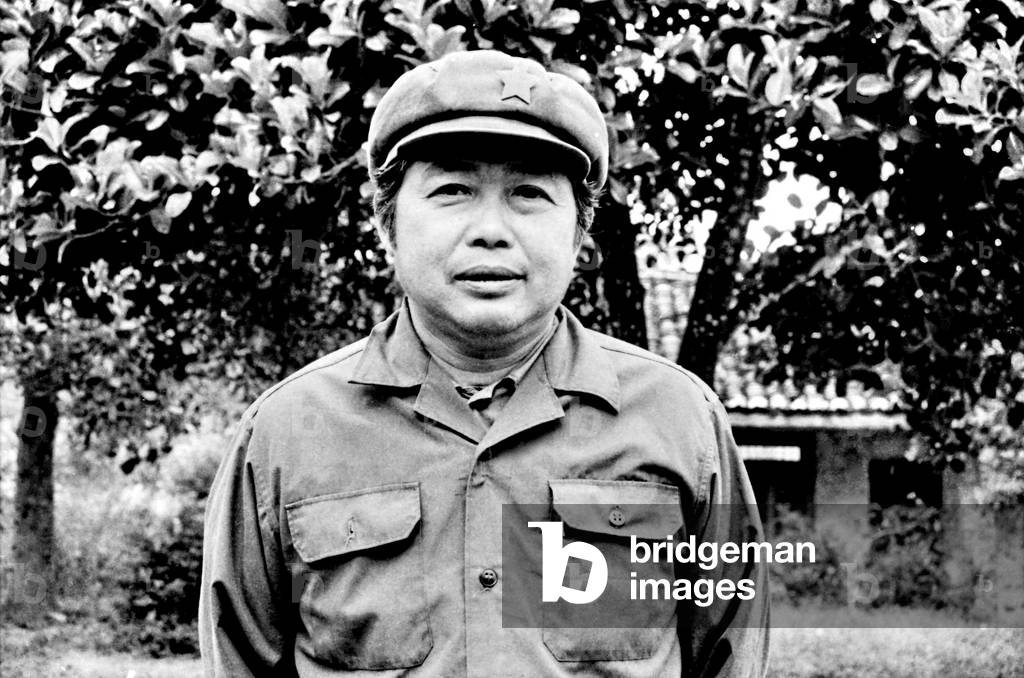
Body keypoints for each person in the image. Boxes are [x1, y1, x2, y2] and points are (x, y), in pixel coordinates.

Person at [199, 49, 769, 677]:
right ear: (387, 226)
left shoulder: (679, 421)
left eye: (528, 193)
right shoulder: (286, 432)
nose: (491, 229)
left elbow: (730, 656)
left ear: (579, 233)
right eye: (453, 190)